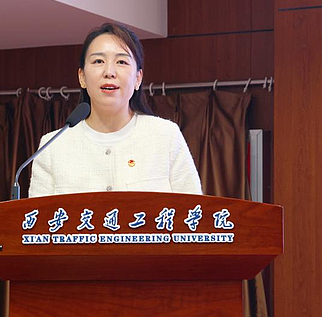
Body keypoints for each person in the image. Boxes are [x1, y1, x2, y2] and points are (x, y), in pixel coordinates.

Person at [28, 22, 202, 197]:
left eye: (121, 62)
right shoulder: (53, 146)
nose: (109, 72)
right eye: (98, 61)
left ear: (138, 78)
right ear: (82, 77)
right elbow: (38, 214)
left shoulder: (165, 136)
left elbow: (194, 209)